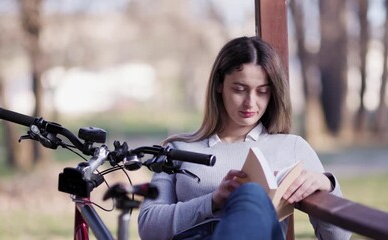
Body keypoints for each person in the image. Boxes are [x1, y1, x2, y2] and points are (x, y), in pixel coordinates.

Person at [137, 36, 351, 240]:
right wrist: (212, 201)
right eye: (240, 89)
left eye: (262, 91)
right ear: (219, 85)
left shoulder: (292, 147)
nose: (251, 102)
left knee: (251, 193)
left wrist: (327, 184)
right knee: (251, 191)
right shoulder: (178, 148)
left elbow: (338, 237)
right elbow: (148, 228)